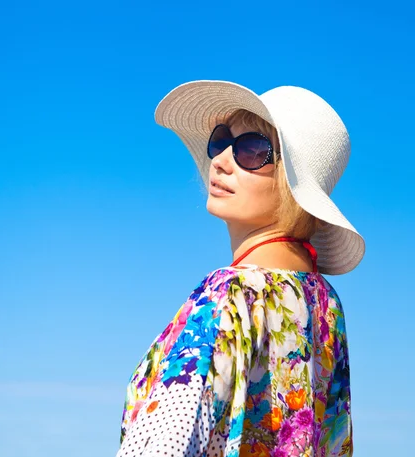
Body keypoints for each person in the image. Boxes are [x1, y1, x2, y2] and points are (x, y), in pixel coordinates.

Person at [115, 80, 364, 457]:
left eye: (252, 149)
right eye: (220, 142)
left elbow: (164, 445)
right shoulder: (326, 307)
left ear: (291, 184)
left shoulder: (229, 294)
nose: (219, 160)